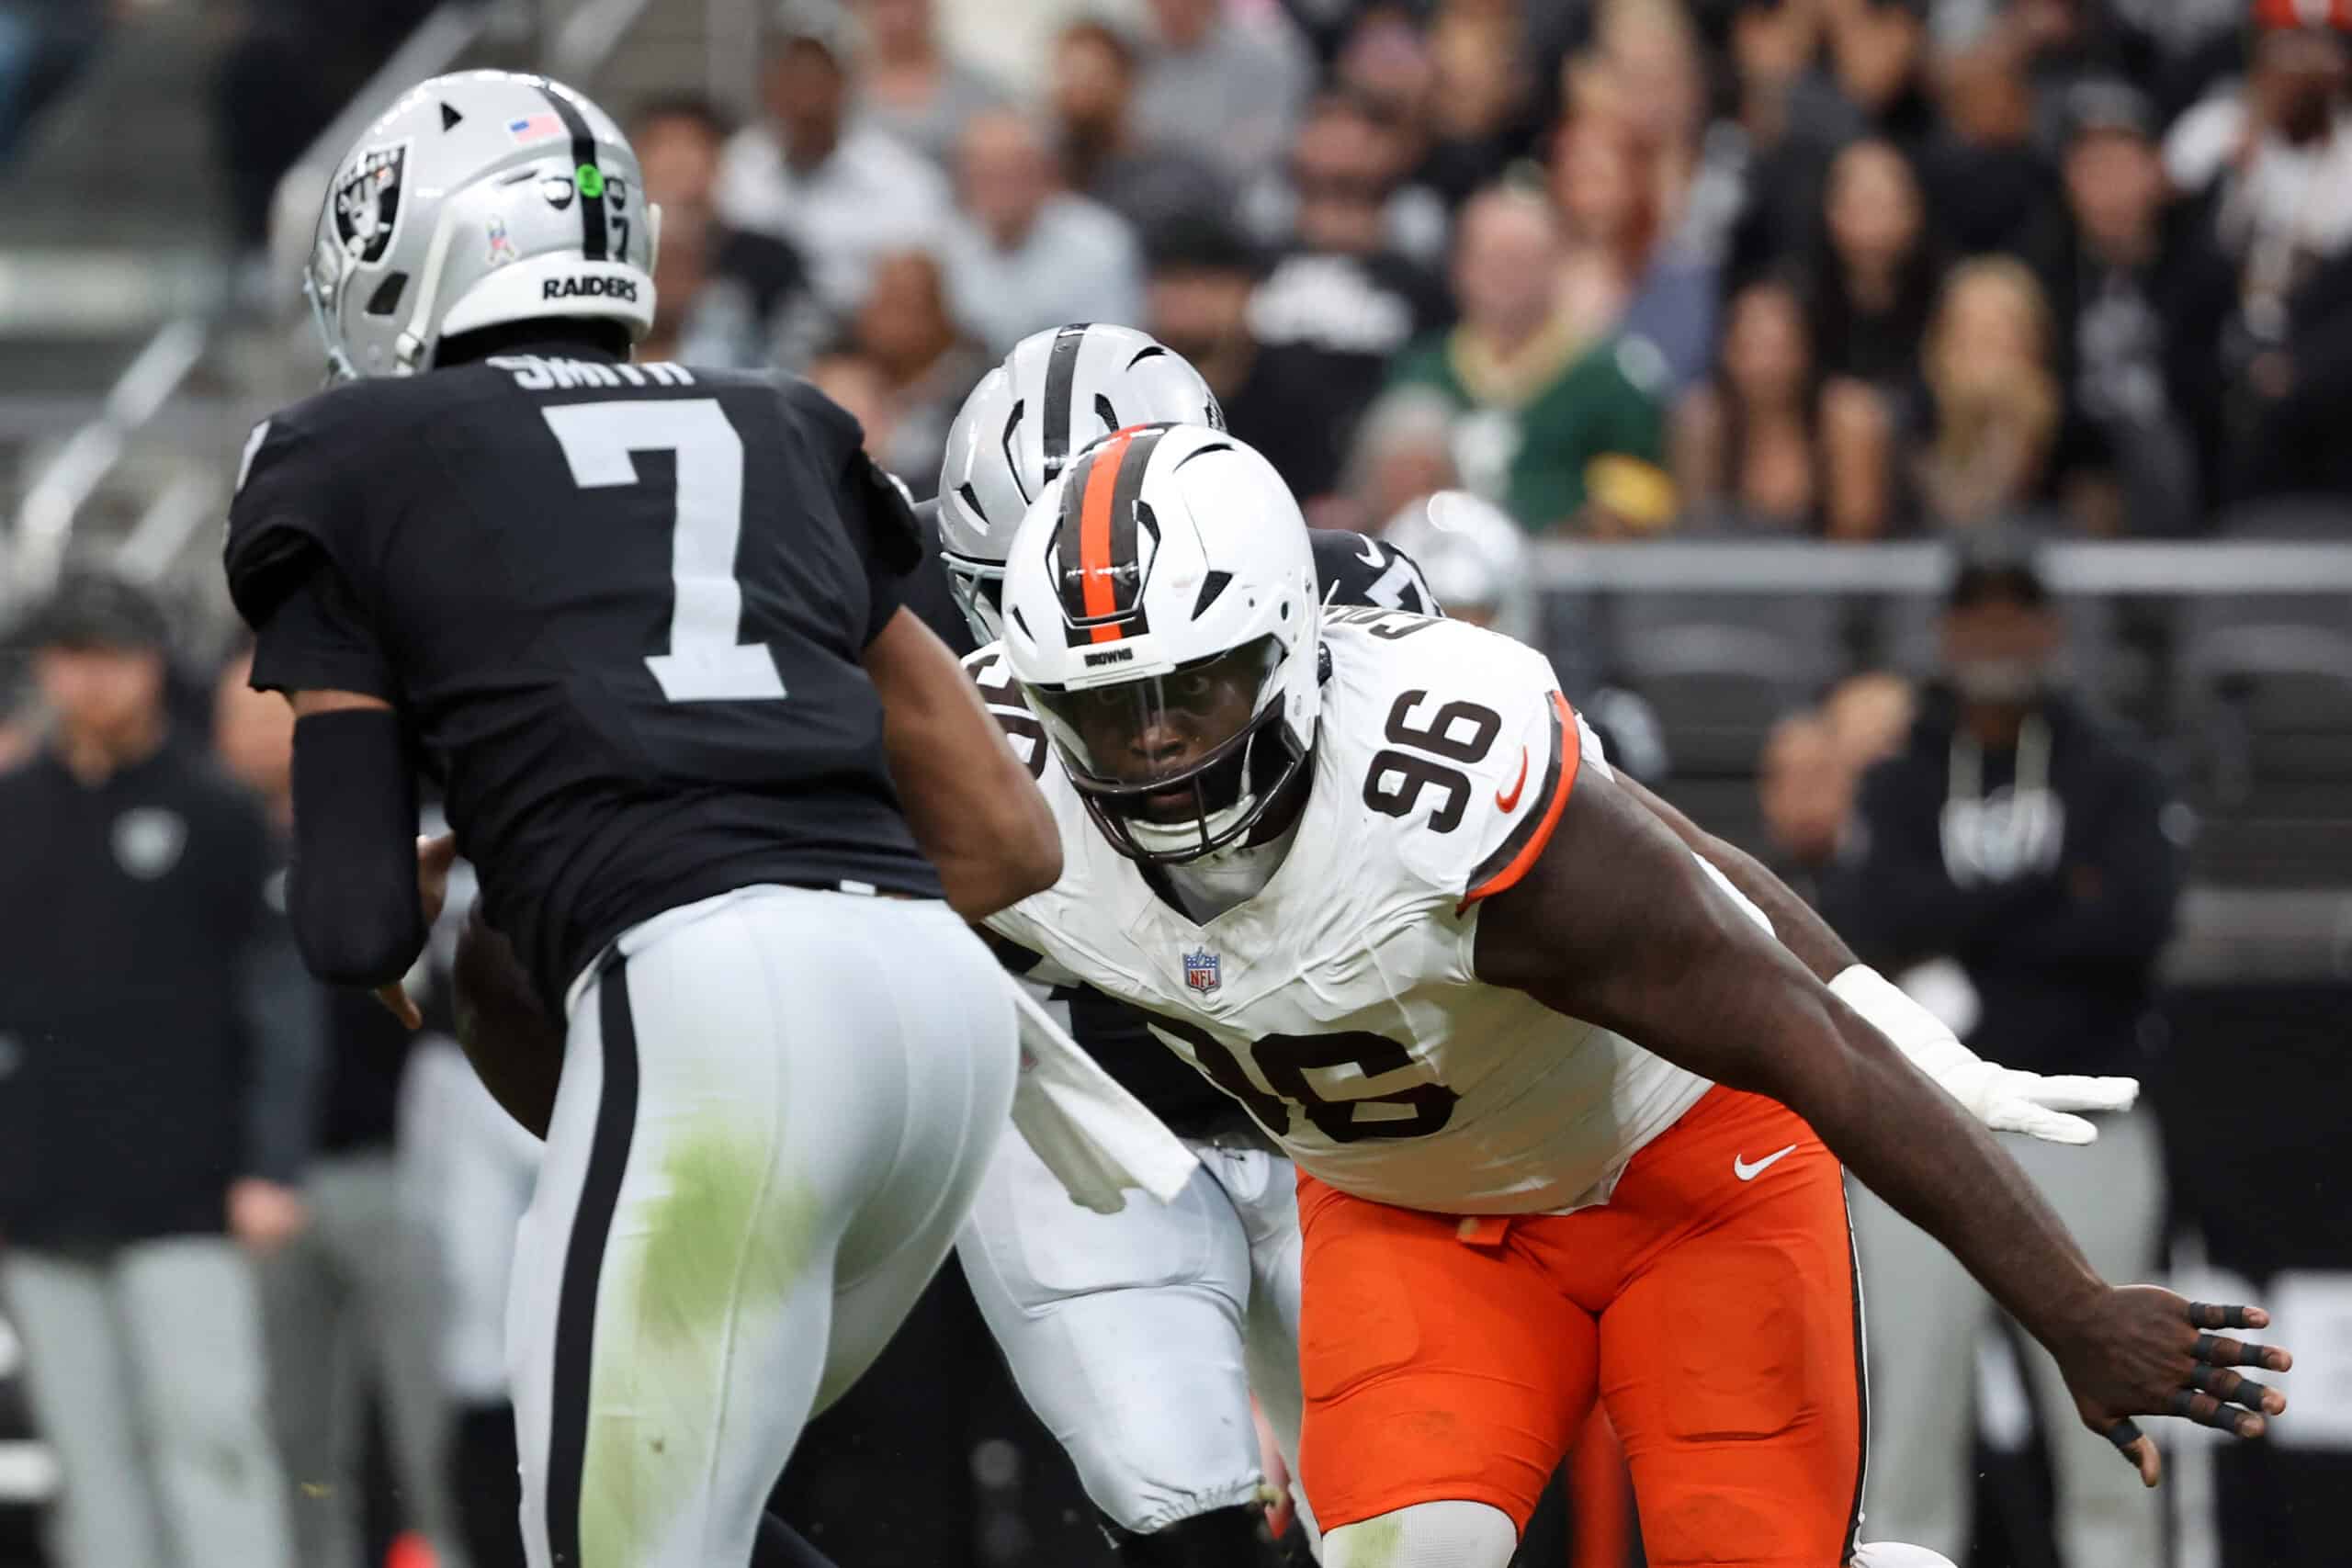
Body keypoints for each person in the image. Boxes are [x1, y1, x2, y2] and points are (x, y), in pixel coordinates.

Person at [975, 423, 2292, 1568]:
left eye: (1189, 693)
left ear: (1286, 649)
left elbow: (1801, 1031)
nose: (1151, 746)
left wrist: (2068, 1305)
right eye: (1106, 708)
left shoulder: (1441, 804)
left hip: (1685, 1182)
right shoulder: (1006, 799)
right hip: (1415, 1215)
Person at [220, 69, 1059, 1568]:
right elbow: (1008, 836)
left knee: (594, 1538)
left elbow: (352, 922)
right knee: (689, 1524)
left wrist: (493, 888)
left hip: (719, 1011)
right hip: (943, 1034)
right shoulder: (788, 421)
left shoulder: (348, 454)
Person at [1820, 536, 2185, 1568]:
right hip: (1921, 1134)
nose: (1995, 635)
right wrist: (2049, 894)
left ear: (2049, 628)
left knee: (2118, 1428)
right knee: (1906, 1437)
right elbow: (1863, 921)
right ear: (1943, 634)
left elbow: (2134, 925)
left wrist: (1959, 928)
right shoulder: (1900, 777)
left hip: (2087, 1133)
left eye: (2014, 613)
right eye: (1974, 614)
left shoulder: (2113, 767)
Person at [0, 572, 304, 1568]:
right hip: (40, 1188)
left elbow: (277, 1000)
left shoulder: (213, 808)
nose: (89, 683)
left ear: (148, 666)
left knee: (210, 1435)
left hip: (187, 1191)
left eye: (109, 659)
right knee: (91, 1461)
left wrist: (269, 1165)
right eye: (70, 658)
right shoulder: (13, 810)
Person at [216, 647, 461, 1568]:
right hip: (263, 1186)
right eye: (234, 710)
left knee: (427, 1416)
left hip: (396, 1165)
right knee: (290, 1434)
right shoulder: (214, 843)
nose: (250, 725)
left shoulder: (394, 829)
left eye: (271, 705)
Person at [1387, 185, 1674, 534]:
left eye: (1521, 259)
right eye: (1489, 256)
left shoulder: (1612, 378)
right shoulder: (1422, 370)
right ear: (1460, 266)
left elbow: (1634, 506)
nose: (1504, 274)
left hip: (1570, 576)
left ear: (1558, 265)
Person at [715, 3, 948, 318]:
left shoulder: (903, 179)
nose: (807, 96)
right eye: (793, 75)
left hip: (861, 346)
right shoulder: (734, 169)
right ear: (769, 84)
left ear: (846, 83)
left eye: (819, 76)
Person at [1670, 276, 1892, 536]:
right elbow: (1694, 534)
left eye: (1779, 347)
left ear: (1806, 348)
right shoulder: (1705, 423)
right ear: (1726, 352)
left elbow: (1859, 541)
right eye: (1751, 347)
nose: (1766, 364)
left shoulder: (1847, 420)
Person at [631, 95, 823, 370]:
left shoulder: (770, 259)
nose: (677, 162)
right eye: (662, 146)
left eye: (693, 146)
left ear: (720, 161)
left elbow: (803, 352)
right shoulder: (603, 255)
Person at [936, 107, 1144, 355]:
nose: (999, 190)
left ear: (1047, 172)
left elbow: (1113, 350)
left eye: (1013, 173)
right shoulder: (941, 243)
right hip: (968, 388)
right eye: (983, 175)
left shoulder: (1101, 244)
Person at [1048, 17, 1236, 239]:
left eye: (1092, 78)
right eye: (1068, 79)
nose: (1079, 93)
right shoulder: (1047, 182)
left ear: (1127, 81)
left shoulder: (1178, 178)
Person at [851, 0, 1005, 166]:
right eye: (884, 4)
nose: (900, 18)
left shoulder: (980, 92)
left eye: (911, 4)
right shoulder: (841, 89)